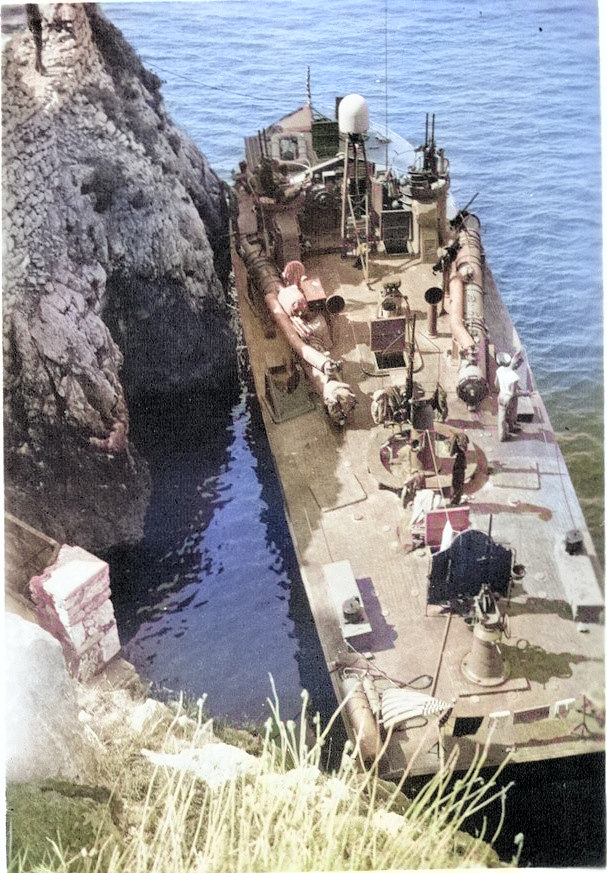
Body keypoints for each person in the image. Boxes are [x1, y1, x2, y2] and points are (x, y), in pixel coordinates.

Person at [494, 352, 521, 441]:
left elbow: (496, 384)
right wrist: (526, 393)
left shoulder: (499, 370)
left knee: (502, 416)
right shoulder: (514, 376)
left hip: (501, 396)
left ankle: (502, 436)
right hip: (509, 398)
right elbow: (513, 393)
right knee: (511, 415)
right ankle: (511, 428)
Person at [449, 430, 468, 505]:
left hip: (458, 464)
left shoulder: (456, 440)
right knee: (460, 483)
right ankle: (456, 499)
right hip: (462, 463)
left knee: (456, 483)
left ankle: (454, 501)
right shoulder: (464, 440)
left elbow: (451, 453)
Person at [26, 4, 45, 74]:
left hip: (36, 21)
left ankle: (37, 65)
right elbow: (29, 12)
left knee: (39, 45)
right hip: (34, 22)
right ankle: (40, 67)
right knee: (38, 45)